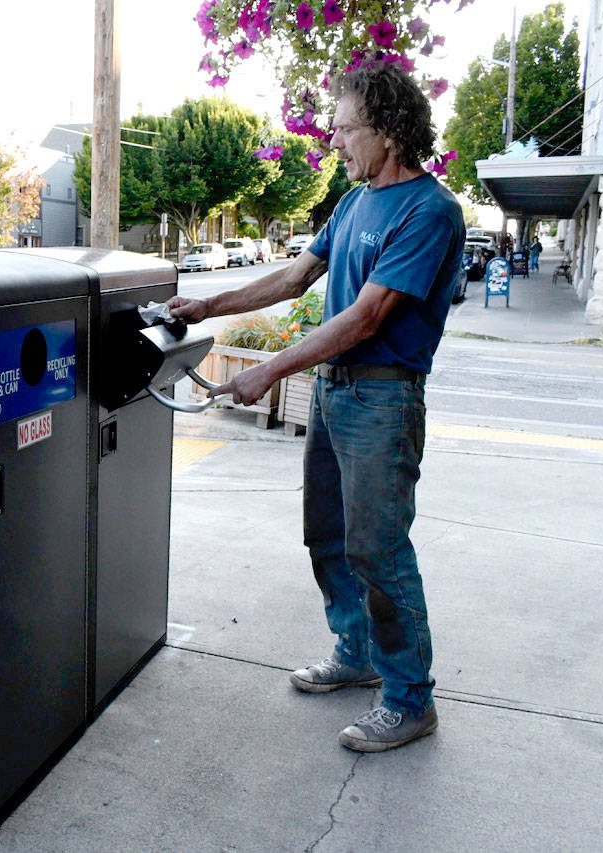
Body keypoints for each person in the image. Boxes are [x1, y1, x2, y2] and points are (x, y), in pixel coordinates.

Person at [167, 62, 465, 752]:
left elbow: (365, 318)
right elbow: (298, 275)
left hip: (383, 397)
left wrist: (268, 369)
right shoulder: (355, 203)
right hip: (336, 392)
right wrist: (206, 303)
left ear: (388, 131)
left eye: (344, 128)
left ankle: (410, 698)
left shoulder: (431, 211)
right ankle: (356, 651)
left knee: (378, 549)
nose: (334, 141)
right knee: (327, 534)